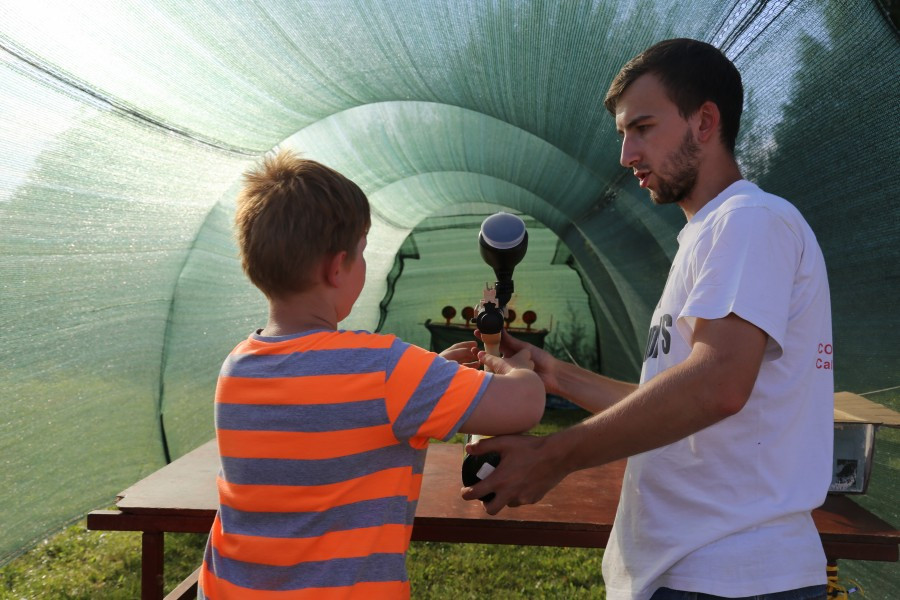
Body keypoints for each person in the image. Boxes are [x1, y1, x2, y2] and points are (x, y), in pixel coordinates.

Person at [462, 38, 833, 600]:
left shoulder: (750, 221)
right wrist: (553, 374)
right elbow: (670, 402)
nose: (626, 154)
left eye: (643, 127)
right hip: (686, 572)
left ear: (705, 121)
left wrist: (553, 454)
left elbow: (717, 386)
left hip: (728, 576)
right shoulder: (708, 235)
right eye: (623, 135)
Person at [197, 149, 545, 599]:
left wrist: (430, 373)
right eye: (361, 253)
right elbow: (524, 406)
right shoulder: (386, 371)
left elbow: (331, 410)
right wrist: (518, 369)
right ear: (335, 268)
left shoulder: (238, 365)